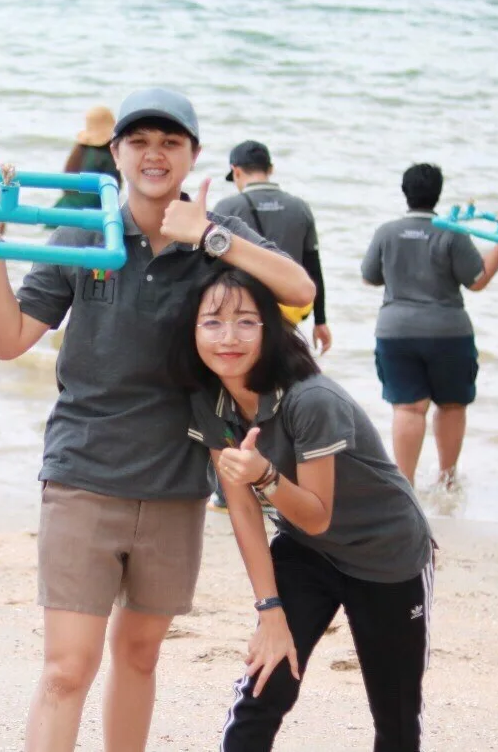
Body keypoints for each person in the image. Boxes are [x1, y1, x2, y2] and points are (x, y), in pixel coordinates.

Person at [0, 87, 315, 751]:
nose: (154, 154)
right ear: (115, 153)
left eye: (170, 142)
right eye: (138, 141)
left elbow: (299, 290)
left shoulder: (213, 235)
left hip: (176, 483)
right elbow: (10, 339)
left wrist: (212, 235)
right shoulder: (84, 233)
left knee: (139, 654)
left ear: (194, 154)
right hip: (83, 474)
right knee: (67, 667)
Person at [179, 267, 434, 752]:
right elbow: (242, 510)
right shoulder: (208, 398)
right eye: (212, 322)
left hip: (386, 553)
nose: (228, 338)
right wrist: (269, 609)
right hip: (306, 551)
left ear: (270, 328)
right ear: (190, 330)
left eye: (246, 322)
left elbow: (317, 513)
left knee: (397, 717)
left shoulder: (311, 399)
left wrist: (264, 474)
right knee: (262, 690)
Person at [361, 163, 498, 487]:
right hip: (448, 332)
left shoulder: (386, 232)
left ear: (405, 192)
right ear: (438, 193)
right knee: (452, 405)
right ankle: (447, 479)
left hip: (396, 331)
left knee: (408, 408)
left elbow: (369, 277)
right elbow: (477, 281)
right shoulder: (453, 232)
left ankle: (405, 484)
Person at [213, 140, 331, 355]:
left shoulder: (227, 208)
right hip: (288, 314)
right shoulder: (300, 207)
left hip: (243, 315)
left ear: (236, 171)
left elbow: (212, 269)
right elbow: (313, 268)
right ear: (271, 169)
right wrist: (320, 321)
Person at [50, 105, 121, 214]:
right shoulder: (107, 156)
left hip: (60, 210)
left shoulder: (79, 151)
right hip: (89, 215)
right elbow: (113, 189)